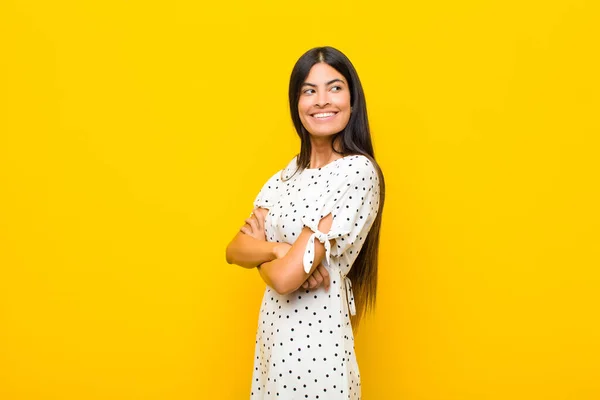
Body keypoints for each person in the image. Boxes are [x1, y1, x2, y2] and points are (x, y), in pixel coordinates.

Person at [225, 46, 385, 400]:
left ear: (352, 100)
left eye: (335, 87)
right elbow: (234, 249)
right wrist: (280, 249)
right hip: (273, 347)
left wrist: (266, 258)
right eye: (309, 91)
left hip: (318, 356)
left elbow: (284, 279)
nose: (321, 101)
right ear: (297, 105)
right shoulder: (286, 175)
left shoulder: (355, 172)